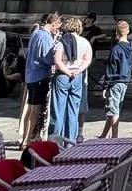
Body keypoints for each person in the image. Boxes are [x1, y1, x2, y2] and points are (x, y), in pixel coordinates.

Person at [21, 12, 60, 145]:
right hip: (40, 75)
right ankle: (27, 141)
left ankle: (25, 137)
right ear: (53, 23)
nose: (58, 28)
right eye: (57, 25)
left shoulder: (36, 33)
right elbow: (47, 57)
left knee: (30, 108)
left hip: (30, 75)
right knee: (35, 110)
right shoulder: (45, 36)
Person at [50, 16, 88, 146]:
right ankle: (70, 142)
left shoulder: (62, 42)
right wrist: (78, 70)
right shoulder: (84, 42)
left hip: (62, 76)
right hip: (77, 77)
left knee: (58, 111)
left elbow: (57, 60)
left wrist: (67, 71)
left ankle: (55, 142)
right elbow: (87, 59)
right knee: (73, 111)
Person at [100, 22, 132, 138]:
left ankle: (114, 137)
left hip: (115, 82)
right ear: (128, 32)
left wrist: (105, 86)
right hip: (125, 81)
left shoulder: (115, 49)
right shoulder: (131, 48)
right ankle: (104, 135)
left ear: (116, 33)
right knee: (114, 108)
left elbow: (111, 69)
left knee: (113, 111)